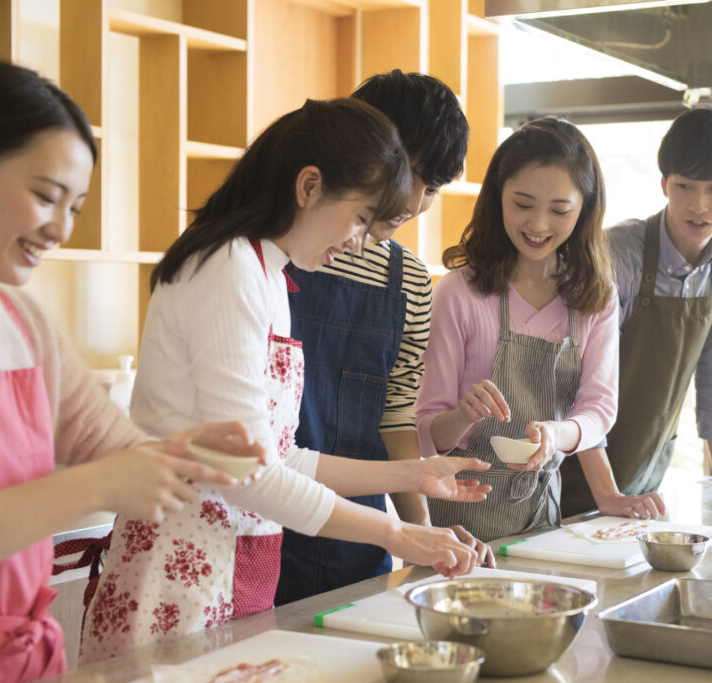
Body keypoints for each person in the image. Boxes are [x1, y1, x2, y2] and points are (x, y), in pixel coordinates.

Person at [79, 97, 492, 662]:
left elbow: (282, 456)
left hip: (234, 562)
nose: (360, 240)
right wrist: (397, 535)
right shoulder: (226, 269)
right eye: (361, 218)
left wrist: (413, 476)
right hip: (177, 576)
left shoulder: (270, 276)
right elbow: (247, 474)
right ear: (309, 186)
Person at [0, 60, 261, 682]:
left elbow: (112, 445)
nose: (61, 227)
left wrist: (185, 454)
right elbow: (104, 474)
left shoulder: (21, 321)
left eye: (74, 205)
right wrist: (97, 486)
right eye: (46, 196)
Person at [276, 71, 494, 606]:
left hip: (359, 540)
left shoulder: (413, 283)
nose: (415, 200)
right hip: (262, 528)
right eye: (409, 173)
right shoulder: (277, 255)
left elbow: (395, 418)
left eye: (433, 188)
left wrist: (424, 534)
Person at [416, 116, 663, 543]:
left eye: (559, 210)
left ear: (584, 209)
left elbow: (598, 410)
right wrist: (463, 415)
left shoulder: (594, 298)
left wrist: (556, 434)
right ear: (497, 197)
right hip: (455, 529)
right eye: (522, 204)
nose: (538, 225)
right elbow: (429, 431)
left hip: (541, 526)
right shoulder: (460, 293)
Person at [560, 107, 712, 519]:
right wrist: (607, 494)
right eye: (685, 186)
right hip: (570, 467)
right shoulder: (617, 252)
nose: (698, 205)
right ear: (664, 184)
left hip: (643, 477)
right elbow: (574, 380)